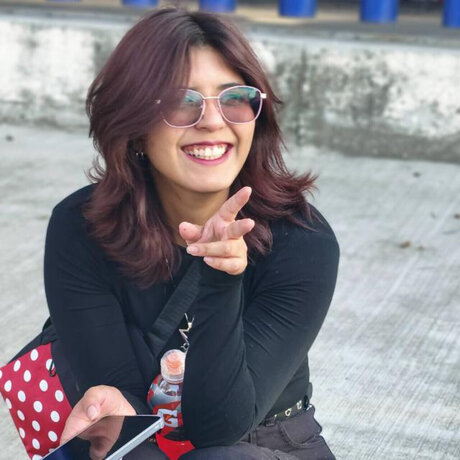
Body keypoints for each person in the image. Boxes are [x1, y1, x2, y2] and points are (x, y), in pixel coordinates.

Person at [44, 7, 339, 459]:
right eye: (182, 101)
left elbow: (221, 428)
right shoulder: (80, 226)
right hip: (147, 439)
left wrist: (221, 279)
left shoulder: (303, 241)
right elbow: (124, 404)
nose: (214, 121)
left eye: (235, 98)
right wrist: (111, 409)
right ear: (135, 126)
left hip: (265, 442)